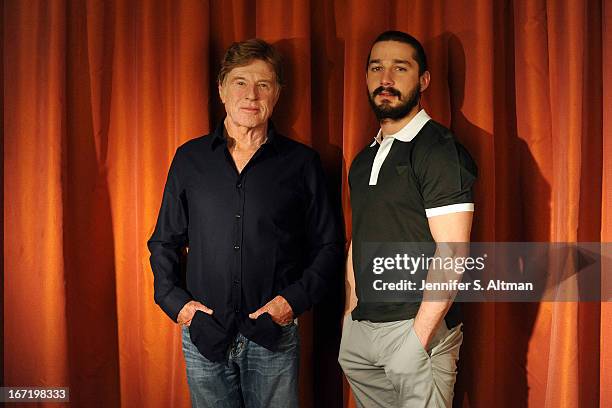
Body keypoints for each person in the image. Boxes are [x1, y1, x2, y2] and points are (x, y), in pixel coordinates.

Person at [148, 38, 343, 408]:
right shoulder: (189, 159)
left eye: (263, 84)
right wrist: (178, 305)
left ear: (278, 93)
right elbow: (164, 241)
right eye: (240, 82)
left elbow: (329, 245)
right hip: (205, 337)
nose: (251, 94)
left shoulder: (302, 163)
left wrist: (292, 301)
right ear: (221, 89)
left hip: (273, 337)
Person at [338, 31, 478, 407]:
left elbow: (453, 254)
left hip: (417, 330)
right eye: (376, 68)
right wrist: (351, 318)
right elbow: (360, 240)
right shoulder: (364, 157)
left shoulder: (439, 151)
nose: (386, 78)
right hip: (363, 333)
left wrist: (417, 340)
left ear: (424, 80)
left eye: (400, 68)